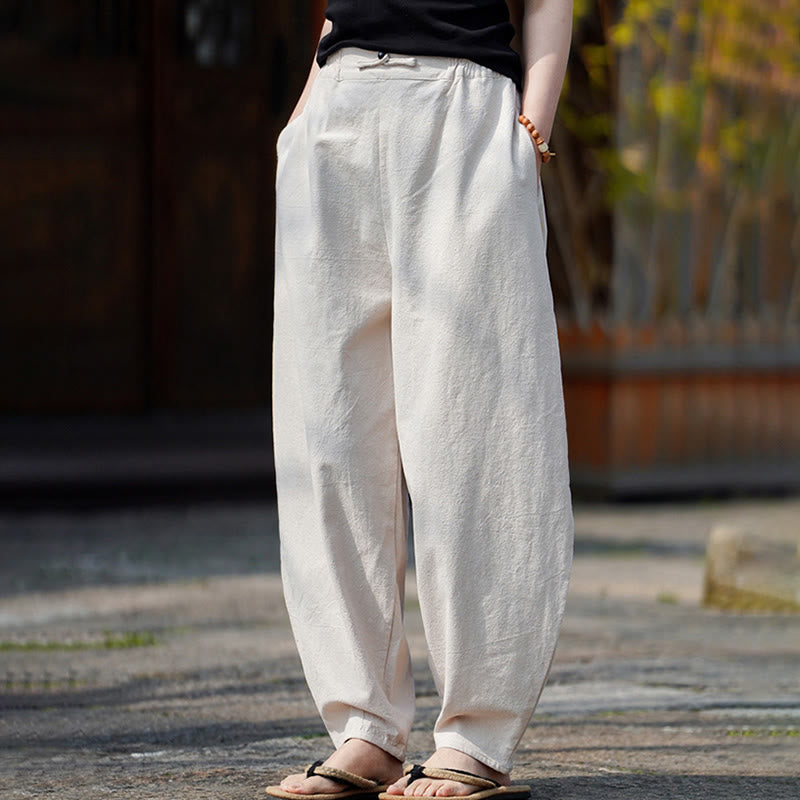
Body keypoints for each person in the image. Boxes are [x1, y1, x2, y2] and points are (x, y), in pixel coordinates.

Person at [266, 2, 574, 798]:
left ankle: (478, 735)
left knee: (476, 437)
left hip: (462, 110)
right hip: (339, 108)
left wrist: (533, 129)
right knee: (328, 435)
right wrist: (302, 117)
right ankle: (364, 728)